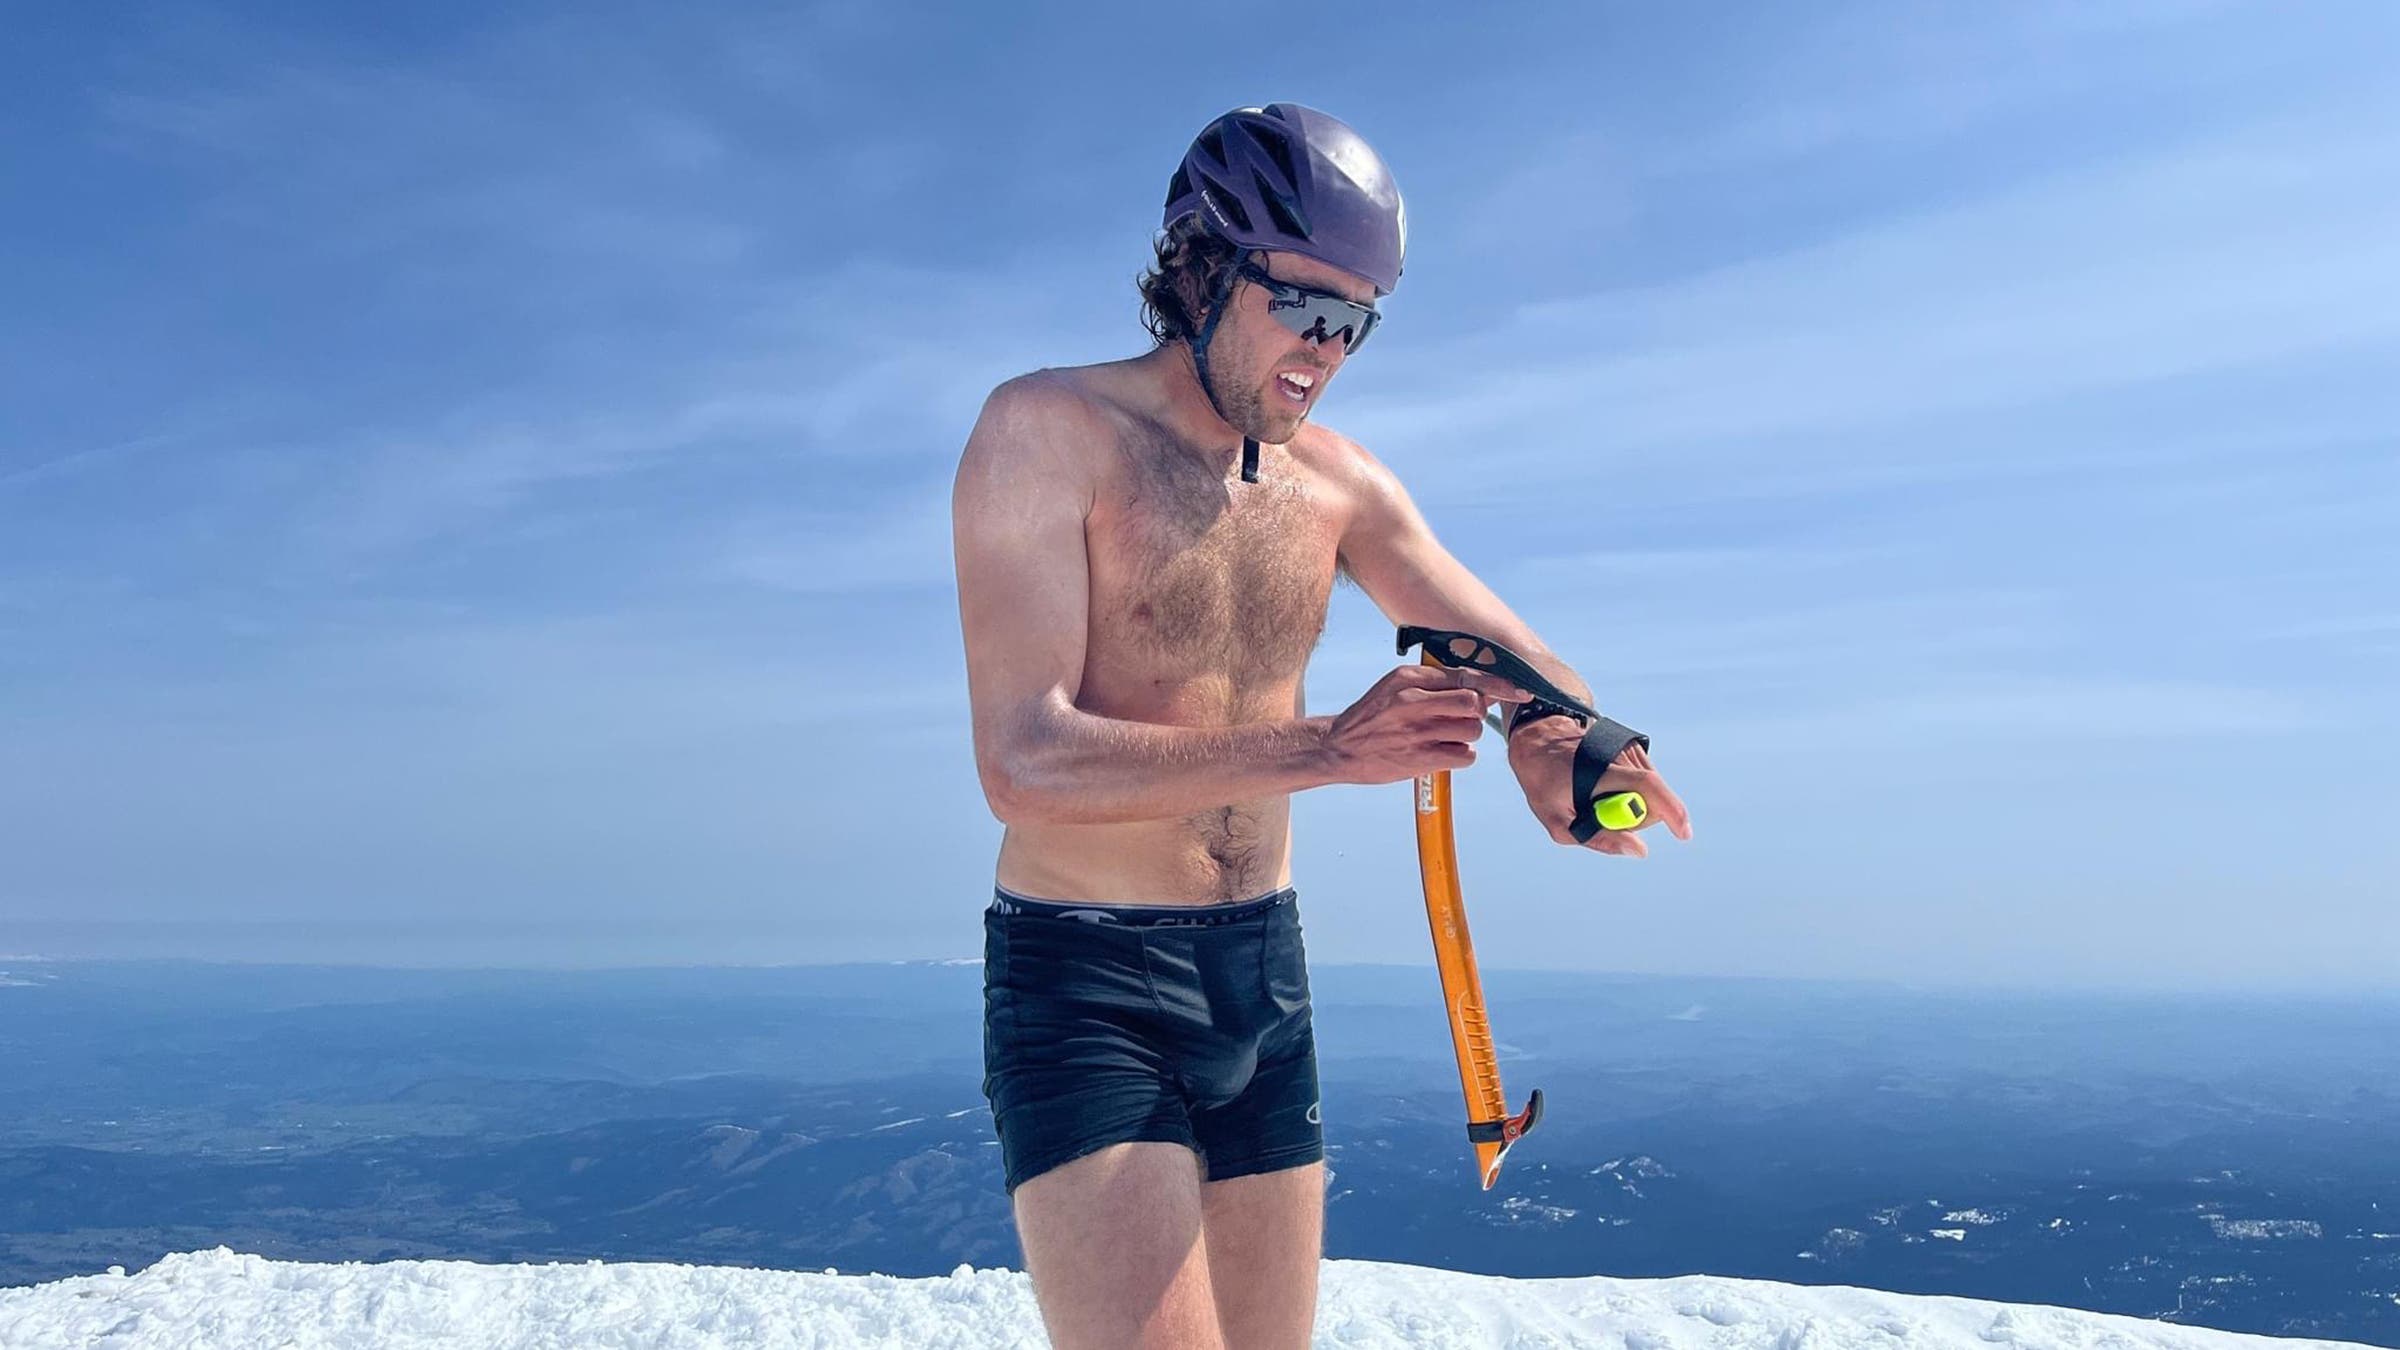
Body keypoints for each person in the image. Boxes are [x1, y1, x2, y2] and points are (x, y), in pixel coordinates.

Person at [951, 103, 1693, 1350]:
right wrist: (1327, 749)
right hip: (1086, 982)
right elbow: (1022, 761)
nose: (1327, 347)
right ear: (1198, 264)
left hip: (1263, 978)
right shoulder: (1046, 432)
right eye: (1302, 304)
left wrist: (1567, 734)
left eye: (1356, 321)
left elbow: (1505, 648)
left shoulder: (1338, 485)